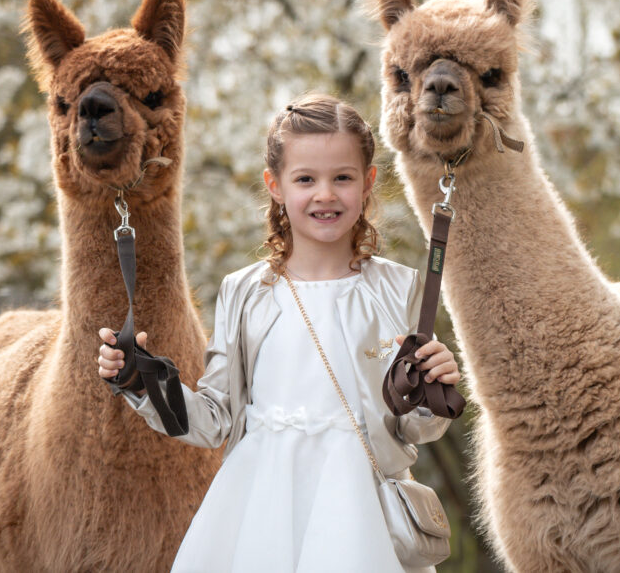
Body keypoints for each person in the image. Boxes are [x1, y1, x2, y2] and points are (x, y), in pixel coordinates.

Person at [98, 94, 461, 572]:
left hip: (363, 519)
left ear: (368, 182)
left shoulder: (399, 289)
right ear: (275, 185)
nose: (325, 194)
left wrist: (437, 387)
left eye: (343, 178)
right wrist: (141, 383)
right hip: (259, 513)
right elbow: (217, 420)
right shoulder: (246, 293)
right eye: (305, 179)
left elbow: (414, 428)